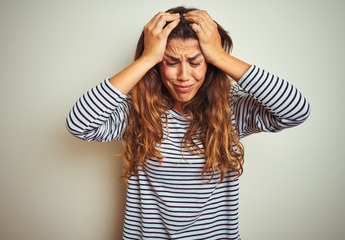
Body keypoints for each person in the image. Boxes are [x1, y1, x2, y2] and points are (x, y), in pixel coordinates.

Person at [66, 6, 310, 240]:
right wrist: (146, 58)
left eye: (196, 62)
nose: (183, 76)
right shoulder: (137, 110)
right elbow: (79, 124)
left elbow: (296, 110)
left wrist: (219, 55)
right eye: (170, 62)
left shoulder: (231, 107)